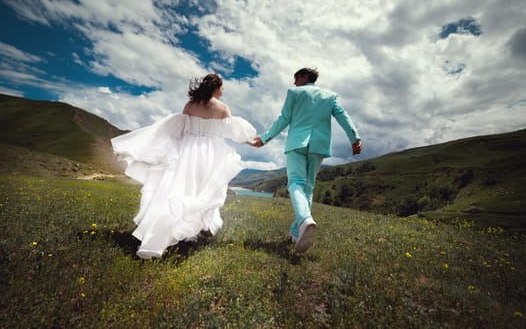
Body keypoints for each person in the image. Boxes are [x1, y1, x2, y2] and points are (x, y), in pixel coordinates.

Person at [111, 74, 256, 259]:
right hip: (210, 154)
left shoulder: (190, 106)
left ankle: (176, 232)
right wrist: (253, 142)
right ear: (215, 87)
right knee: (202, 190)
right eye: (222, 87)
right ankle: (192, 231)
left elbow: (175, 130)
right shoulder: (222, 108)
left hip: (187, 150)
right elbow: (235, 132)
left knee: (179, 188)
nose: (223, 91)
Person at [250, 68, 361, 253]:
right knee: (308, 188)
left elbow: (284, 118)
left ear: (303, 77)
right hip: (319, 144)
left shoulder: (294, 93)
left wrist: (265, 138)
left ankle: (303, 220)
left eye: (296, 79)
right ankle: (296, 233)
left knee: (295, 183)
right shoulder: (330, 96)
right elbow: (343, 116)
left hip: (297, 143)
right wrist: (355, 138)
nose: (294, 83)